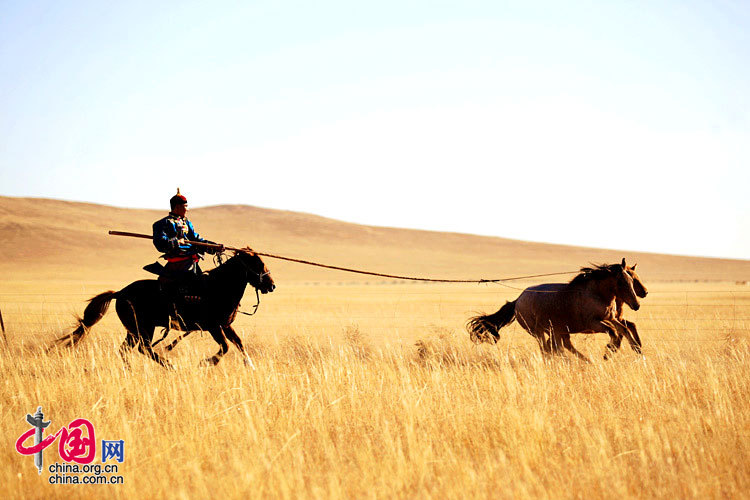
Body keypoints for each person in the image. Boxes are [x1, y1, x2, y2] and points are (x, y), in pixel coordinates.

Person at [152, 188, 223, 279]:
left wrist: (214, 246)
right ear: (177, 207)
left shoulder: (187, 222)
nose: (188, 209)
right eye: (185, 206)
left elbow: (196, 239)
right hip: (177, 265)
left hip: (191, 261)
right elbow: (160, 244)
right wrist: (177, 241)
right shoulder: (162, 223)